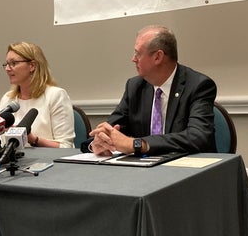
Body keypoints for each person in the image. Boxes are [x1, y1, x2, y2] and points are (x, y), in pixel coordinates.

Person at [88, 25, 217, 156]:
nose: (133, 59)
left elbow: (198, 137)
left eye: (138, 53)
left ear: (158, 57)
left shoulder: (198, 85)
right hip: (145, 170)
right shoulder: (134, 86)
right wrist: (98, 142)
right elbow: (112, 129)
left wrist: (139, 144)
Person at [0, 42, 75, 148]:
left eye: (13, 63)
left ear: (32, 66)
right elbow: (2, 145)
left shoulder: (56, 96)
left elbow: (65, 147)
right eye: (6, 64)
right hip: (13, 163)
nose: (7, 69)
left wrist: (33, 139)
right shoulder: (8, 99)